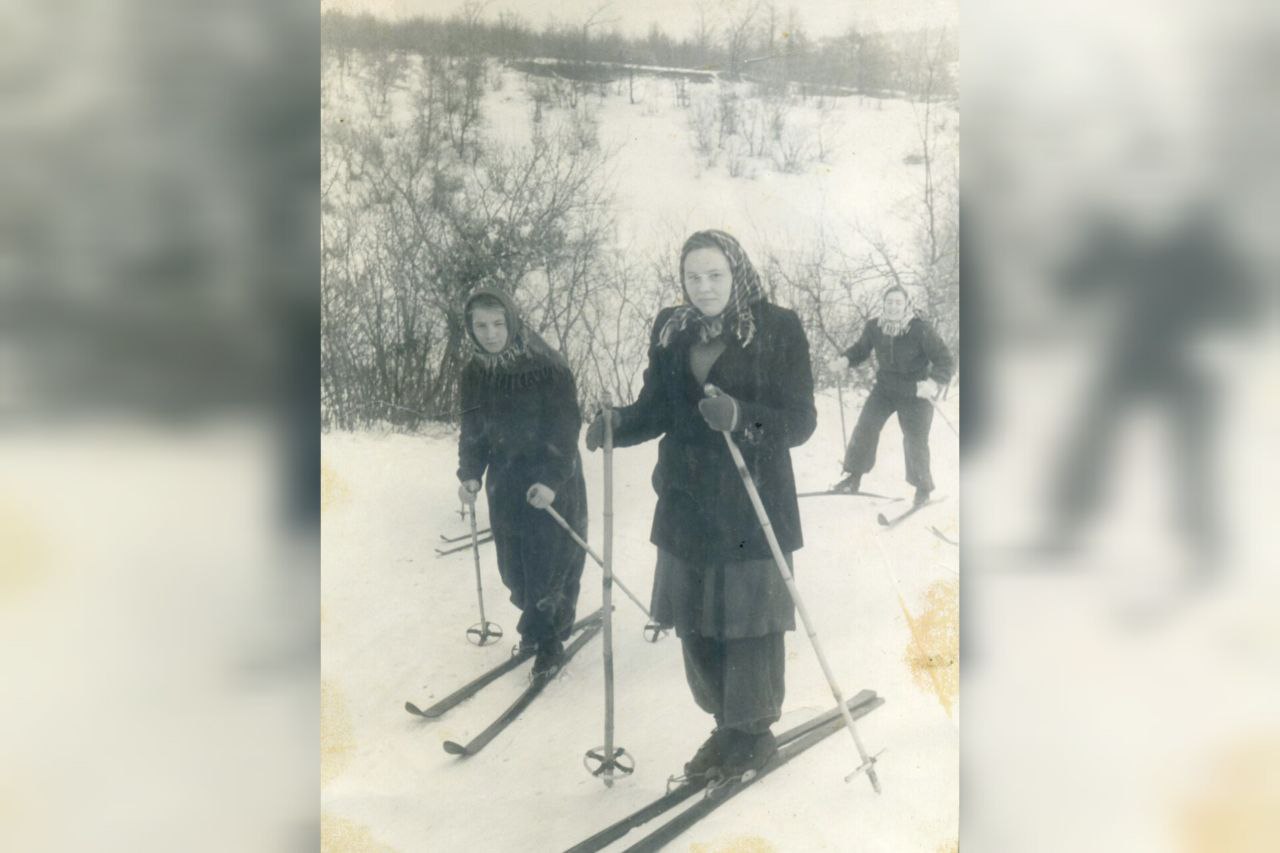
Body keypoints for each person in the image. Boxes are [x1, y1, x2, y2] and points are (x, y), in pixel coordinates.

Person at [584, 230, 816, 780]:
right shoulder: (671, 328)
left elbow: (801, 420)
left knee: (748, 620)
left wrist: (742, 416)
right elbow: (658, 407)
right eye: (693, 277)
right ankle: (724, 726)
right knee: (696, 620)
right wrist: (620, 422)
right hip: (688, 497)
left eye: (715, 275)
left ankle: (752, 732)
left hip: (750, 497)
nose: (704, 287)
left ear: (737, 273)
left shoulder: (777, 327)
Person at [456, 289, 588, 677]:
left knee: (548, 563)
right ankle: (533, 621)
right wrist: (469, 474)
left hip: (551, 479)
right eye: (481, 326)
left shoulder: (547, 366)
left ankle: (548, 641)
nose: (491, 334)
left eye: (498, 324)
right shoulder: (475, 373)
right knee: (513, 567)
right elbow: (473, 430)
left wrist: (551, 480)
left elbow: (566, 430)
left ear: (512, 321)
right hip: (506, 479)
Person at [827, 285, 954, 506]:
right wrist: (845, 360)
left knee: (915, 439)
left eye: (898, 302)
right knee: (866, 427)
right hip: (885, 389)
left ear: (907, 304)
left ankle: (922, 489)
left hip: (916, 392)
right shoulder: (875, 327)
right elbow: (861, 349)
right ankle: (853, 477)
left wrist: (933, 383)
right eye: (889, 302)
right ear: (883, 304)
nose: (893, 306)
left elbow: (945, 359)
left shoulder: (920, 328)